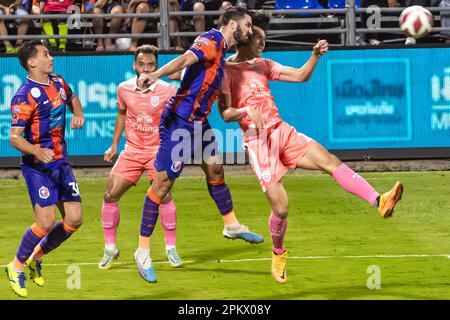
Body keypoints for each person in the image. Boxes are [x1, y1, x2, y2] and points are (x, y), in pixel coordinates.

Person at [218, 10, 404, 284]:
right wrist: (246, 110)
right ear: (244, 38)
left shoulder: (264, 64)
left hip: (281, 130)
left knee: (329, 160)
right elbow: (225, 113)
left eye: (265, 39)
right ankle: (278, 253)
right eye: (258, 37)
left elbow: (301, 76)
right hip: (258, 141)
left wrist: (315, 56)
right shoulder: (227, 70)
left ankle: (379, 200)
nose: (263, 43)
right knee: (281, 208)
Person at [133, 7, 264, 283]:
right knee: (162, 185)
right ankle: (142, 250)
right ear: (232, 24)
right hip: (179, 122)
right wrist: (155, 75)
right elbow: (185, 59)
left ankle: (231, 225)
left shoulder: (223, 55)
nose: (250, 30)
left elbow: (199, 75)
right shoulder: (212, 39)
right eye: (248, 24)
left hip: (198, 123)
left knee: (216, 170)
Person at [5, 40, 85, 298]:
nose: (51, 57)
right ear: (31, 62)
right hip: (37, 167)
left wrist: (78, 113)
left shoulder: (59, 83)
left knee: (74, 219)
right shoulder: (24, 95)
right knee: (47, 221)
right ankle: (15, 267)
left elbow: (73, 99)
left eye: (49, 53)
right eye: (45, 54)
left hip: (61, 164)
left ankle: (35, 258)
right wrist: (37, 151)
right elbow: (14, 137)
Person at [99, 45, 182, 276]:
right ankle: (110, 248)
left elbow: (179, 118)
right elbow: (122, 114)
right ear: (134, 65)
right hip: (132, 150)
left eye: (151, 65)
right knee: (109, 195)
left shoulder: (167, 91)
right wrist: (115, 144)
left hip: (158, 151)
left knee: (163, 195)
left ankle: (171, 248)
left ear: (157, 67)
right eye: (142, 64)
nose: (146, 69)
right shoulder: (124, 89)